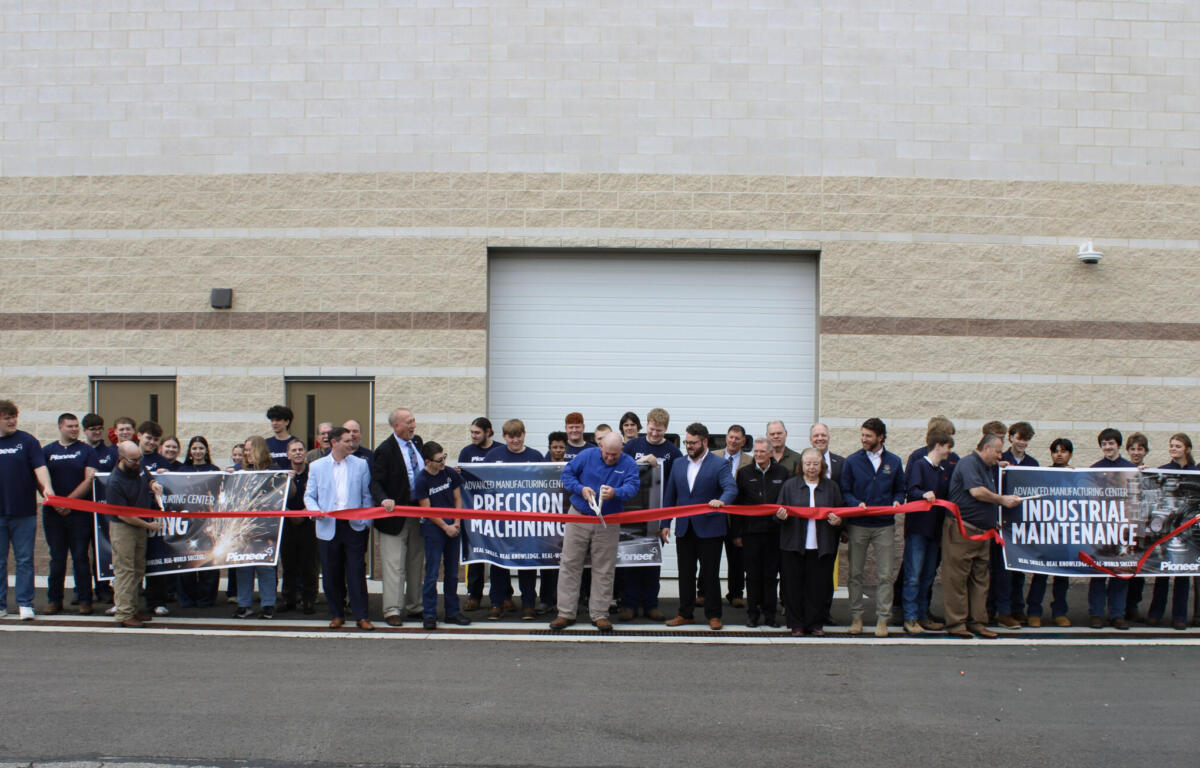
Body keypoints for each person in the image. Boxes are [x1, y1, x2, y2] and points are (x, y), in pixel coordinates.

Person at [551, 433, 641, 632]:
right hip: (579, 516)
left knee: (604, 567)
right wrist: (580, 489)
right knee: (569, 563)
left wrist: (616, 493)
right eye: (607, 454)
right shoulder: (586, 455)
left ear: (622, 450)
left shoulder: (628, 464)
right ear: (600, 446)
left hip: (608, 520)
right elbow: (567, 475)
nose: (610, 458)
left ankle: (600, 614)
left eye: (615, 455)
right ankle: (565, 613)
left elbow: (634, 486)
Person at [944, 433, 1021, 639]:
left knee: (980, 580)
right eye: (997, 452)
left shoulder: (988, 467)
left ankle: (977, 622)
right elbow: (977, 492)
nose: (999, 456)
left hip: (984, 532)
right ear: (986, 448)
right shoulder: (969, 463)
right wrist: (1002, 500)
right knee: (957, 579)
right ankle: (956, 622)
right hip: (963, 531)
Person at [664, 423, 737, 631]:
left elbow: (730, 488)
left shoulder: (719, 464)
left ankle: (714, 615)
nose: (689, 446)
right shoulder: (678, 464)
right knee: (685, 573)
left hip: (711, 529)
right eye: (687, 442)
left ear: (705, 442)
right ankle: (684, 614)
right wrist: (665, 523)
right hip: (685, 528)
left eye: (693, 443)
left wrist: (722, 500)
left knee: (710, 574)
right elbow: (670, 495)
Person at [305, 426, 375, 630]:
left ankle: (362, 615)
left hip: (353, 526)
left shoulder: (361, 465)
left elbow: (366, 496)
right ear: (334, 442)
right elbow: (309, 495)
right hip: (328, 525)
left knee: (356, 572)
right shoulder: (317, 466)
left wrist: (364, 521)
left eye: (352, 440)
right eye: (346, 440)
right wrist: (315, 511)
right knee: (331, 573)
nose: (351, 443)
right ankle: (336, 614)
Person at [840, 417, 905, 637]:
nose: (863, 439)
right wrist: (853, 504)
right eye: (862, 435)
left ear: (881, 437)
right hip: (858, 524)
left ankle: (882, 619)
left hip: (884, 525)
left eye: (868, 436)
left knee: (885, 574)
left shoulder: (894, 462)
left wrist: (898, 501)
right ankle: (856, 617)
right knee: (855, 573)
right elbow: (845, 490)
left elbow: (900, 489)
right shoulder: (852, 461)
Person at [621, 407, 682, 621]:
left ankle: (650, 604)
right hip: (631, 513)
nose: (655, 434)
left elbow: (675, 488)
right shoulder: (632, 445)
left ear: (666, 429)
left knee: (652, 561)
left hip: (657, 514)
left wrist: (667, 521)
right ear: (646, 425)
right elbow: (618, 470)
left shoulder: (673, 453)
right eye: (652, 429)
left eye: (660, 430)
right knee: (631, 559)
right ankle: (629, 605)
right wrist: (641, 462)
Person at [776, 447, 844, 636]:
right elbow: (777, 513)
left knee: (818, 586)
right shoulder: (790, 486)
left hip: (821, 545)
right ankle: (796, 624)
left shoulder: (831, 487)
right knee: (793, 586)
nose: (812, 467)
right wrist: (780, 516)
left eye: (816, 464)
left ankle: (815, 623)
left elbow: (841, 513)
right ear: (801, 465)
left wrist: (839, 521)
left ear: (822, 465)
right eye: (808, 464)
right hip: (794, 544)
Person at [370, 407, 426, 626]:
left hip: (418, 513)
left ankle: (415, 606)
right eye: (409, 422)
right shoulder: (385, 450)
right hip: (394, 517)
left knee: (415, 561)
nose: (413, 425)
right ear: (396, 426)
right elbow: (375, 481)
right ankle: (392, 609)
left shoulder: (418, 443)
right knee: (394, 565)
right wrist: (383, 499)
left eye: (413, 420)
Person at [483, 419, 544, 619]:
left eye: (518, 436)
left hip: (527, 522)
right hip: (500, 521)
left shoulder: (535, 456)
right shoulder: (493, 456)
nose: (515, 440)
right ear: (504, 437)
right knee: (498, 563)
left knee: (527, 562)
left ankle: (528, 603)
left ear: (524, 434)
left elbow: (546, 484)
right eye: (511, 436)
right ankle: (496, 603)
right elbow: (481, 483)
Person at [0, 400, 55, 620]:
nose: (12, 421)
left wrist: (47, 487)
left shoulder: (27, 441)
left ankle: (25, 603)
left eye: (14, 416)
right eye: (7, 417)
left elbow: (40, 467)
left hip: (24, 512)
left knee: (24, 559)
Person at [41, 412, 100, 616]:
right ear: (60, 427)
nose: (74, 429)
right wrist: (56, 502)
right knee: (57, 558)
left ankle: (85, 600)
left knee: (80, 557)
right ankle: (54, 600)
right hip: (53, 513)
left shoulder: (86, 451)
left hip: (79, 513)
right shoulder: (48, 451)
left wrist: (69, 503)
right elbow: (41, 480)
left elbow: (89, 479)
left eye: (76, 426)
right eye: (70, 426)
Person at [412, 441, 472, 630]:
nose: (443, 462)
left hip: (453, 527)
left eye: (444, 457)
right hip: (434, 530)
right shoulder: (422, 480)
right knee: (431, 574)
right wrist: (445, 527)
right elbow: (427, 510)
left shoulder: (449, 473)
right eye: (439, 460)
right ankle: (429, 613)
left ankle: (452, 612)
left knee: (452, 573)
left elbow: (458, 497)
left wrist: (456, 522)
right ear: (428, 461)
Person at [104, 441, 163, 628]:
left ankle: (133, 607)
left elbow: (147, 477)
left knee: (138, 568)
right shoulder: (115, 481)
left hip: (139, 525)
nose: (137, 463)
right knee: (124, 570)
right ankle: (123, 613)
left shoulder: (139, 466)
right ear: (121, 458)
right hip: (123, 527)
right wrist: (148, 525)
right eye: (133, 460)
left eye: (139, 459)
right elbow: (123, 515)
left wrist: (153, 484)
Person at [901, 431, 953, 633]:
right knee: (913, 575)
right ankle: (910, 617)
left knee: (928, 576)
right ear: (938, 445)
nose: (949, 452)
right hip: (918, 530)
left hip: (935, 531)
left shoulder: (941, 470)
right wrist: (923, 494)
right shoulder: (919, 465)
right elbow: (910, 491)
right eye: (948, 447)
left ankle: (923, 614)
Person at [733, 437, 787, 627]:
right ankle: (753, 614)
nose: (758, 455)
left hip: (774, 533)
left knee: (771, 576)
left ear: (771, 453)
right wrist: (737, 534)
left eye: (762, 452)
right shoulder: (744, 473)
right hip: (751, 533)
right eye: (756, 452)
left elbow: (786, 502)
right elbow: (738, 505)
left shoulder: (782, 472)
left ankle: (770, 615)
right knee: (753, 576)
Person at [990, 421, 1038, 629]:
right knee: (1000, 570)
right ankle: (999, 610)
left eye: (1026, 439)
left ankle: (1017, 608)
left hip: (1022, 525)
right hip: (1002, 523)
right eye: (1018, 438)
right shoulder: (1000, 458)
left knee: (1019, 570)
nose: (1022, 443)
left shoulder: (1033, 463)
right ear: (1010, 438)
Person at [1088, 427, 1135, 630]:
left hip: (1123, 528)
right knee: (1098, 572)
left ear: (1118, 445)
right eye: (1104, 444)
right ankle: (1096, 614)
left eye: (1111, 443)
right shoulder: (1094, 469)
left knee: (1120, 572)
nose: (1107, 447)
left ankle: (1117, 614)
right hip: (1101, 527)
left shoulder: (1129, 468)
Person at [1025, 437, 1074, 627]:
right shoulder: (1043, 473)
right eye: (1056, 451)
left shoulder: (1077, 475)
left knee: (1062, 576)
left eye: (1063, 451)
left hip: (1065, 534)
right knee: (1040, 575)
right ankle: (1034, 612)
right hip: (1046, 533)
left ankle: (1059, 612)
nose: (1059, 454)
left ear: (1070, 454)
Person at [1148, 433, 1194, 630]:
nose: (1173, 449)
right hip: (1166, 531)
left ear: (1187, 449)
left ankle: (1180, 616)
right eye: (1171, 446)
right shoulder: (1164, 471)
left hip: (1188, 533)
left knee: (1184, 574)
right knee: (1163, 573)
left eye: (1178, 446)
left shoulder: (1196, 471)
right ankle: (1155, 614)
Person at [233, 437, 279, 619]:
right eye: (244, 450)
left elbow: (288, 493)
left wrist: (287, 479)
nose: (245, 453)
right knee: (243, 565)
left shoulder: (274, 470)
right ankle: (243, 604)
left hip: (266, 526)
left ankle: (268, 604)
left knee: (265, 565)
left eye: (249, 449)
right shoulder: (239, 469)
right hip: (242, 527)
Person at [174, 436, 221, 608]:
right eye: (194, 448)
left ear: (206, 450)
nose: (198, 452)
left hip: (208, 524)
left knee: (208, 563)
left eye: (201, 448)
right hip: (186, 525)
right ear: (190, 451)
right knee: (186, 563)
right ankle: (186, 598)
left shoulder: (214, 469)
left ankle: (206, 599)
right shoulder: (181, 470)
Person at [458, 416, 496, 611]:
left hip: (497, 510)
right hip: (474, 510)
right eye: (472, 432)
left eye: (477, 433)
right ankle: (474, 595)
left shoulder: (499, 450)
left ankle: (503, 595)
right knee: (477, 554)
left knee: (499, 553)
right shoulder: (467, 452)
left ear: (488, 432)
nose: (473, 436)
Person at [135, 421, 172, 614]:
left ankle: (157, 602)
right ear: (139, 436)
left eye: (155, 440)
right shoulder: (130, 458)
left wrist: (167, 476)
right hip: (134, 516)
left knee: (156, 559)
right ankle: (128, 601)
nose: (151, 442)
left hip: (156, 517)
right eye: (148, 438)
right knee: (132, 560)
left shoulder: (162, 461)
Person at [280, 438, 318, 615]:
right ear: (288, 454)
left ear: (305, 453)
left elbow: (318, 495)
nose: (297, 453)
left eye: (300, 450)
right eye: (293, 450)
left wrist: (304, 512)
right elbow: (277, 498)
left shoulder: (313, 472)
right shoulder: (283, 476)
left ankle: (308, 599)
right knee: (289, 563)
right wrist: (289, 513)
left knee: (308, 564)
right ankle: (288, 599)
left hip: (308, 522)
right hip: (287, 522)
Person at [717, 424, 752, 608]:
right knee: (710, 556)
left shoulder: (750, 461)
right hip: (715, 514)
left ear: (743, 441)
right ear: (726, 437)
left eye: (737, 438)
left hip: (737, 517)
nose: (733, 441)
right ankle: (704, 592)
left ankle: (736, 593)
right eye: (731, 437)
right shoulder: (713, 456)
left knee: (737, 557)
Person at [1123, 432, 1150, 620]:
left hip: (1140, 528)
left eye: (1140, 449)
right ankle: (1119, 607)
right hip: (1122, 528)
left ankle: (1133, 606)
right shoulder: (1120, 470)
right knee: (1121, 568)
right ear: (1128, 451)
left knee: (1138, 570)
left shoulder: (1149, 473)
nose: (1136, 452)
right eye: (1133, 449)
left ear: (1145, 451)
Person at [265, 405, 297, 469]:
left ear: (287, 422)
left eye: (277, 420)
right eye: (272, 420)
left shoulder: (296, 443)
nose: (274, 423)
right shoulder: (265, 443)